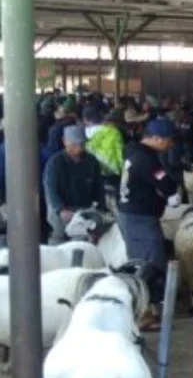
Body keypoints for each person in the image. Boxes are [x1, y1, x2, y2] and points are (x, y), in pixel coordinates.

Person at [118, 118, 178, 324]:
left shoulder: (133, 152)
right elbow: (167, 184)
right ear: (156, 138)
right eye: (168, 140)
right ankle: (140, 312)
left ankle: (146, 309)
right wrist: (169, 190)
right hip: (140, 216)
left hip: (132, 214)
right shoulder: (146, 159)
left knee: (144, 261)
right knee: (148, 263)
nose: (171, 144)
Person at [43, 126, 107, 244]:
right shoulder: (55, 163)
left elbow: (98, 186)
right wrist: (61, 209)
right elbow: (51, 189)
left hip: (83, 209)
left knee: (83, 242)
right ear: (64, 141)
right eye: (73, 144)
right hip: (61, 210)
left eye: (81, 144)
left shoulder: (91, 161)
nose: (77, 148)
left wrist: (100, 206)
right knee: (58, 240)